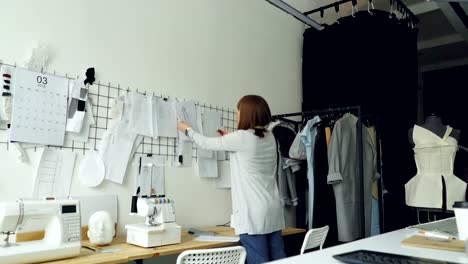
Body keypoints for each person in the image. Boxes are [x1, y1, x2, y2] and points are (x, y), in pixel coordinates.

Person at [178, 95, 286, 264]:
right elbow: (249, 146)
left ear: (247, 115)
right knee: (280, 260)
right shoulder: (270, 137)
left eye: (238, 113)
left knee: (259, 261)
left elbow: (206, 143)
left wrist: (186, 129)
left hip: (253, 214)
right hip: (272, 211)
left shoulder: (242, 138)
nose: (237, 116)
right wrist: (230, 137)